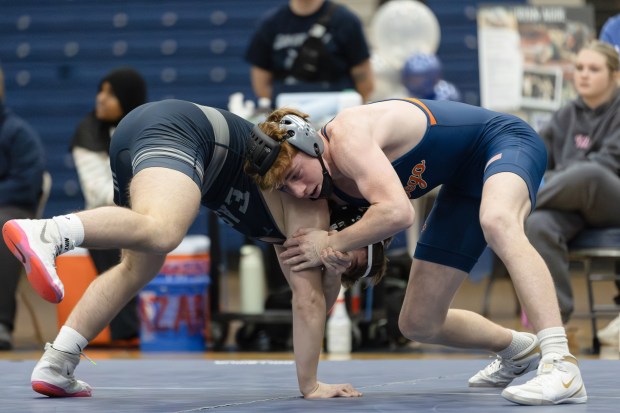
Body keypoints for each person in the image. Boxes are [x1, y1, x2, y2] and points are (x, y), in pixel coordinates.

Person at [2, 99, 385, 399]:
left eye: (349, 267)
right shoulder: (311, 208)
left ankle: (58, 361)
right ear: (347, 221)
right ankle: (50, 233)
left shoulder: (294, 231)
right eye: (354, 250)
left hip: (146, 137)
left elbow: (313, 297)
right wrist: (311, 386)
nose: (343, 256)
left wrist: (333, 269)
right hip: (180, 131)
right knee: (165, 230)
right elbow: (309, 302)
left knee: (139, 266)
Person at [245, 100, 587, 405]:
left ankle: (560, 364)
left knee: (498, 220)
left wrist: (330, 243)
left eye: (294, 175)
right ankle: (518, 349)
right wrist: (337, 261)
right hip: (461, 182)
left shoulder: (347, 135)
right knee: (418, 322)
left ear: (311, 142)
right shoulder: (323, 187)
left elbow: (398, 214)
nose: (299, 190)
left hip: (503, 141)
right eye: (285, 187)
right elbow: (360, 258)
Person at [524, 41, 620, 341]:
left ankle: (514, 209)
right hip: (569, 203)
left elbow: (607, 163)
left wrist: (553, 178)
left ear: (615, 75)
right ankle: (556, 325)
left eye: (594, 69)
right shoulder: (565, 113)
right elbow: (538, 160)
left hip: (609, 198)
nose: (584, 75)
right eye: (579, 68)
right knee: (537, 224)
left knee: (588, 172)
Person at [70, 67, 147, 345]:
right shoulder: (88, 132)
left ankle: (159, 328)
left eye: (111, 94)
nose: (101, 99)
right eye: (100, 91)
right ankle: (127, 336)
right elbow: (99, 191)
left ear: (128, 99)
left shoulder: (147, 128)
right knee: (117, 239)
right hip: (107, 217)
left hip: (143, 214)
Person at [244, 0, 374, 106]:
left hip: (336, 113)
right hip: (287, 115)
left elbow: (365, 82)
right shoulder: (270, 24)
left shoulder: (346, 21)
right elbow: (261, 84)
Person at [0, 63, 46, 350]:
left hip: (14, 208)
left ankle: (1, 322)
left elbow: (28, 183)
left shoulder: (18, 133)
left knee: (2, 228)